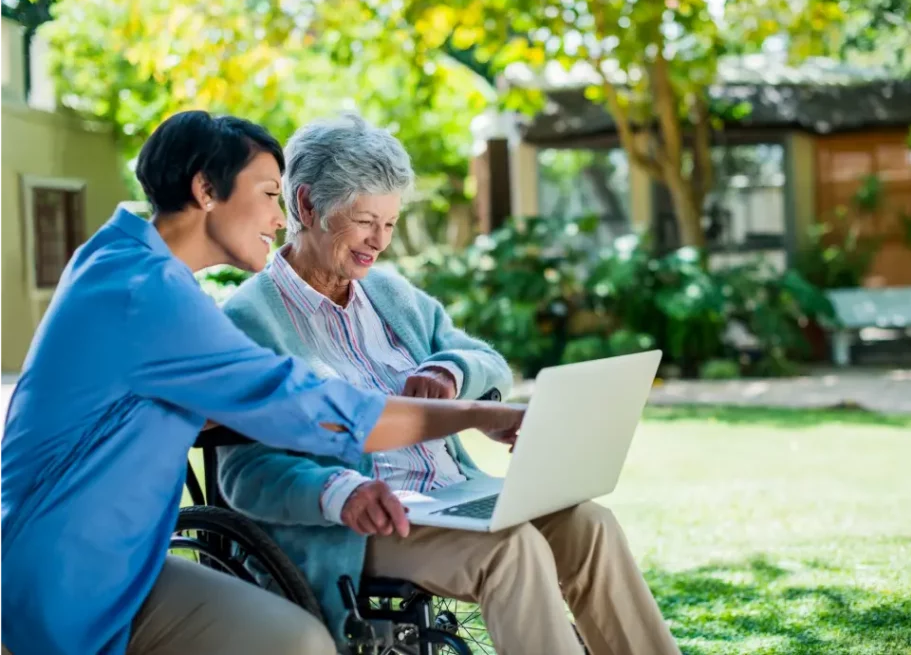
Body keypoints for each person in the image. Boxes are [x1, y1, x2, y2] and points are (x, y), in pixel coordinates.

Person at [0, 111, 524, 655]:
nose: (280, 220)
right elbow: (318, 409)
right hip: (61, 583)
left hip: (129, 565)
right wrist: (477, 413)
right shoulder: (148, 295)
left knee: (296, 639)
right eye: (271, 194)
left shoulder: (115, 259)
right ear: (206, 189)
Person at [217, 113, 680, 655]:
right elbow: (244, 475)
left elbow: (486, 362)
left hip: (452, 495)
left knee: (589, 524)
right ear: (306, 206)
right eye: (366, 221)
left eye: (390, 224)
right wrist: (341, 491)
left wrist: (450, 371)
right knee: (513, 549)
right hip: (357, 529)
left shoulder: (390, 296)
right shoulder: (252, 319)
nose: (379, 242)